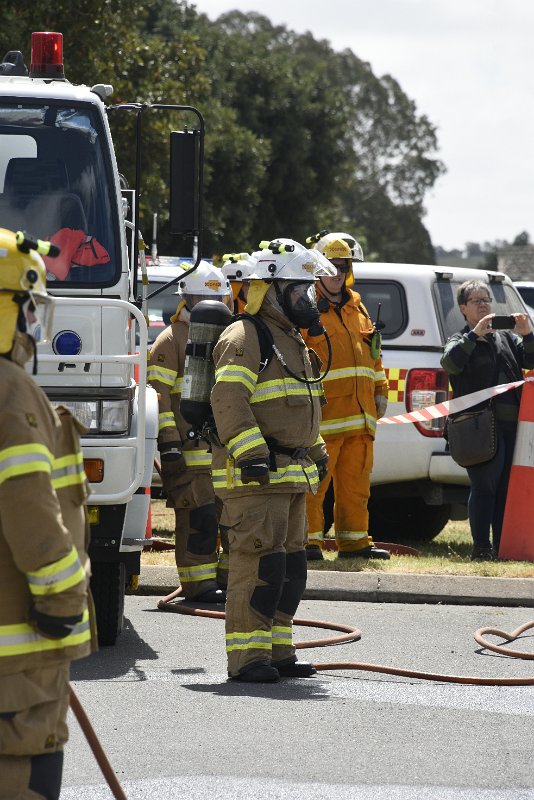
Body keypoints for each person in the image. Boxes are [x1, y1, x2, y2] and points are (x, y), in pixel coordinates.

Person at [210, 238, 335, 682]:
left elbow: (299, 407)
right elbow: (228, 398)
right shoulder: (246, 336)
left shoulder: (290, 339)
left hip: (292, 477)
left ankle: (278, 650)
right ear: (273, 290)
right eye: (301, 291)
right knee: (259, 568)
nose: (310, 299)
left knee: (290, 569)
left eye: (310, 291)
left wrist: (316, 452)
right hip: (257, 479)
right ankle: (247, 658)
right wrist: (251, 454)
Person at [0, 228, 94, 800]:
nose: (34, 322)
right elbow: (30, 506)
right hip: (14, 671)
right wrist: (62, 600)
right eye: (27, 306)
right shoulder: (11, 392)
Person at [302, 231, 390, 561]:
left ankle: (354, 544)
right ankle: (307, 543)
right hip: (322, 421)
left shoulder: (358, 307)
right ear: (317, 270)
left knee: (356, 488)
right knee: (314, 486)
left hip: (360, 419)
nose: (337, 274)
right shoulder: (305, 310)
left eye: (343, 267)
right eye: (330, 267)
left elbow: (373, 356)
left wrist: (380, 391)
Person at [148, 260, 232, 602]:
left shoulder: (228, 339)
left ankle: (228, 580)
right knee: (197, 519)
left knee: (229, 520)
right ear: (187, 298)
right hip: (188, 451)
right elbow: (159, 395)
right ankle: (198, 584)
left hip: (222, 452)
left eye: (218, 298)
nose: (211, 305)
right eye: (201, 297)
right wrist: (169, 444)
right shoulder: (170, 340)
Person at [441, 279, 534, 560]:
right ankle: (481, 548)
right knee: (484, 488)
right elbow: (450, 364)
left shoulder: (506, 338)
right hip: (477, 428)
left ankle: (500, 548)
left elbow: (530, 361)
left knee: (505, 490)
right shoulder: (459, 339)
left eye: (487, 300)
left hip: (511, 428)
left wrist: (528, 335)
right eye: (477, 301)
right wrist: (474, 336)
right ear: (463, 309)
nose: (484, 305)